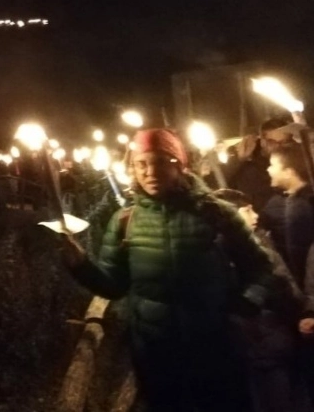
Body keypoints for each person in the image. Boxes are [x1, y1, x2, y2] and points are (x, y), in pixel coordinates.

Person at [60, 128, 277, 411]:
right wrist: (81, 265)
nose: (151, 171)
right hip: (157, 357)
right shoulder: (126, 220)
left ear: (179, 165)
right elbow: (114, 285)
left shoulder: (217, 213)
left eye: (161, 162)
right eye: (142, 164)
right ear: (133, 169)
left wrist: (245, 305)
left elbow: (261, 267)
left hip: (216, 349)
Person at [213, 188, 312, 412]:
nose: (256, 215)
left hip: (275, 338)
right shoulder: (241, 253)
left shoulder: (258, 242)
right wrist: (300, 311)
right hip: (264, 341)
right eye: (247, 210)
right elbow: (281, 286)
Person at [262, 142, 314, 289]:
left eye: (272, 165)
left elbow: (299, 252)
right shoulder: (293, 201)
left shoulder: (301, 206)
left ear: (289, 172)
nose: (268, 169)